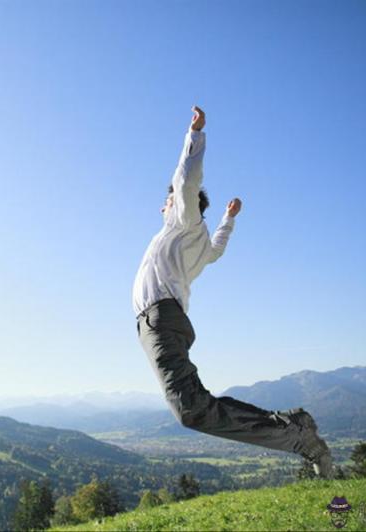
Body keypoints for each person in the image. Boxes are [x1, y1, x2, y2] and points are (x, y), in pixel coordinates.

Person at [132, 106, 333, 478]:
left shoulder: (181, 221)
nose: (162, 205)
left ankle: (295, 434)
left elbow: (185, 180)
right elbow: (217, 250)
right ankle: (295, 430)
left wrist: (194, 135)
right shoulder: (194, 240)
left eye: (168, 199)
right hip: (162, 320)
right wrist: (229, 219)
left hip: (161, 319)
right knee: (191, 406)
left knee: (191, 408)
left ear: (175, 202)